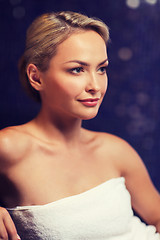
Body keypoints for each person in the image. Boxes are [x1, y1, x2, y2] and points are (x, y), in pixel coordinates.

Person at [0, 11, 160, 240]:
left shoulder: (115, 150)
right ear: (36, 77)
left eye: (101, 69)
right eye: (77, 69)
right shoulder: (10, 147)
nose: (95, 85)